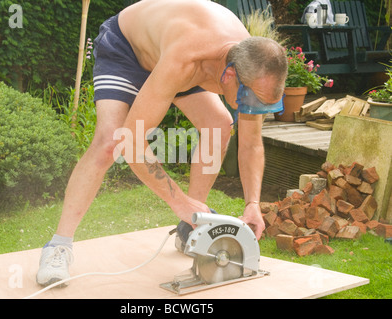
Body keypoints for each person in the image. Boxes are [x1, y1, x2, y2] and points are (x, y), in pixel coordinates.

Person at [36, 0, 287, 286]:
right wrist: (177, 200)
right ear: (230, 76)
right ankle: (58, 246)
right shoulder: (187, 57)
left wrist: (252, 202)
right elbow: (131, 143)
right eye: (252, 99)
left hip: (180, 58)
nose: (253, 108)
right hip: (128, 48)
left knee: (219, 124)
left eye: (264, 103)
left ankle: (191, 227)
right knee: (110, 142)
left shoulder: (252, 66)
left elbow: (252, 144)